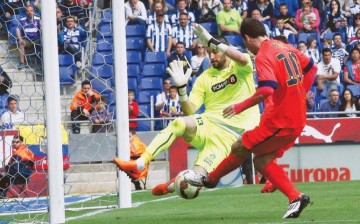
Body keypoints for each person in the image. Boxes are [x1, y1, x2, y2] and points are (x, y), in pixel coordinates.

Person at [187, 18, 317, 218]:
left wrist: (240, 106)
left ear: (246, 38)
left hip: (281, 120)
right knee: (263, 160)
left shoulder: (264, 55)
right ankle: (292, 194)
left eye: (244, 43)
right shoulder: (284, 46)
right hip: (296, 117)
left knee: (241, 148)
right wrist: (300, 95)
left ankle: (210, 180)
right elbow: (311, 68)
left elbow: (266, 89)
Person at [114, 33, 260, 197]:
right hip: (209, 124)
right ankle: (141, 163)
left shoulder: (241, 66)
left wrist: (211, 39)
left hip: (230, 138)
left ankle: (174, 184)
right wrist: (182, 88)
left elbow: (242, 58)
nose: (211, 56)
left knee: (196, 178)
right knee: (179, 123)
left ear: (224, 50)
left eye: (215, 52)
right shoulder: (205, 77)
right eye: (208, 52)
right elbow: (190, 111)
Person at [16, 5, 41, 70]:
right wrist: (20, 38)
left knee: (44, 43)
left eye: (31, 10)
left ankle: (41, 64)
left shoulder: (38, 19)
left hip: (37, 40)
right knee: (21, 43)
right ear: (25, 12)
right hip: (27, 40)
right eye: (27, 11)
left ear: (34, 11)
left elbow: (42, 28)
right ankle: (22, 63)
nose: (29, 12)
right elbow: (18, 29)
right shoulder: (22, 20)